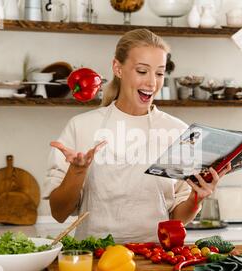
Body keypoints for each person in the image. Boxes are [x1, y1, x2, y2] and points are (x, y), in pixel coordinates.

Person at [42, 28, 231, 243]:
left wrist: (196, 198)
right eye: (142, 71)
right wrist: (77, 171)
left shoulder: (178, 132)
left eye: (159, 73)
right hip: (94, 258)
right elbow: (59, 213)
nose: (152, 83)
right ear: (118, 68)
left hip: (154, 258)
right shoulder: (82, 126)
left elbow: (177, 218)